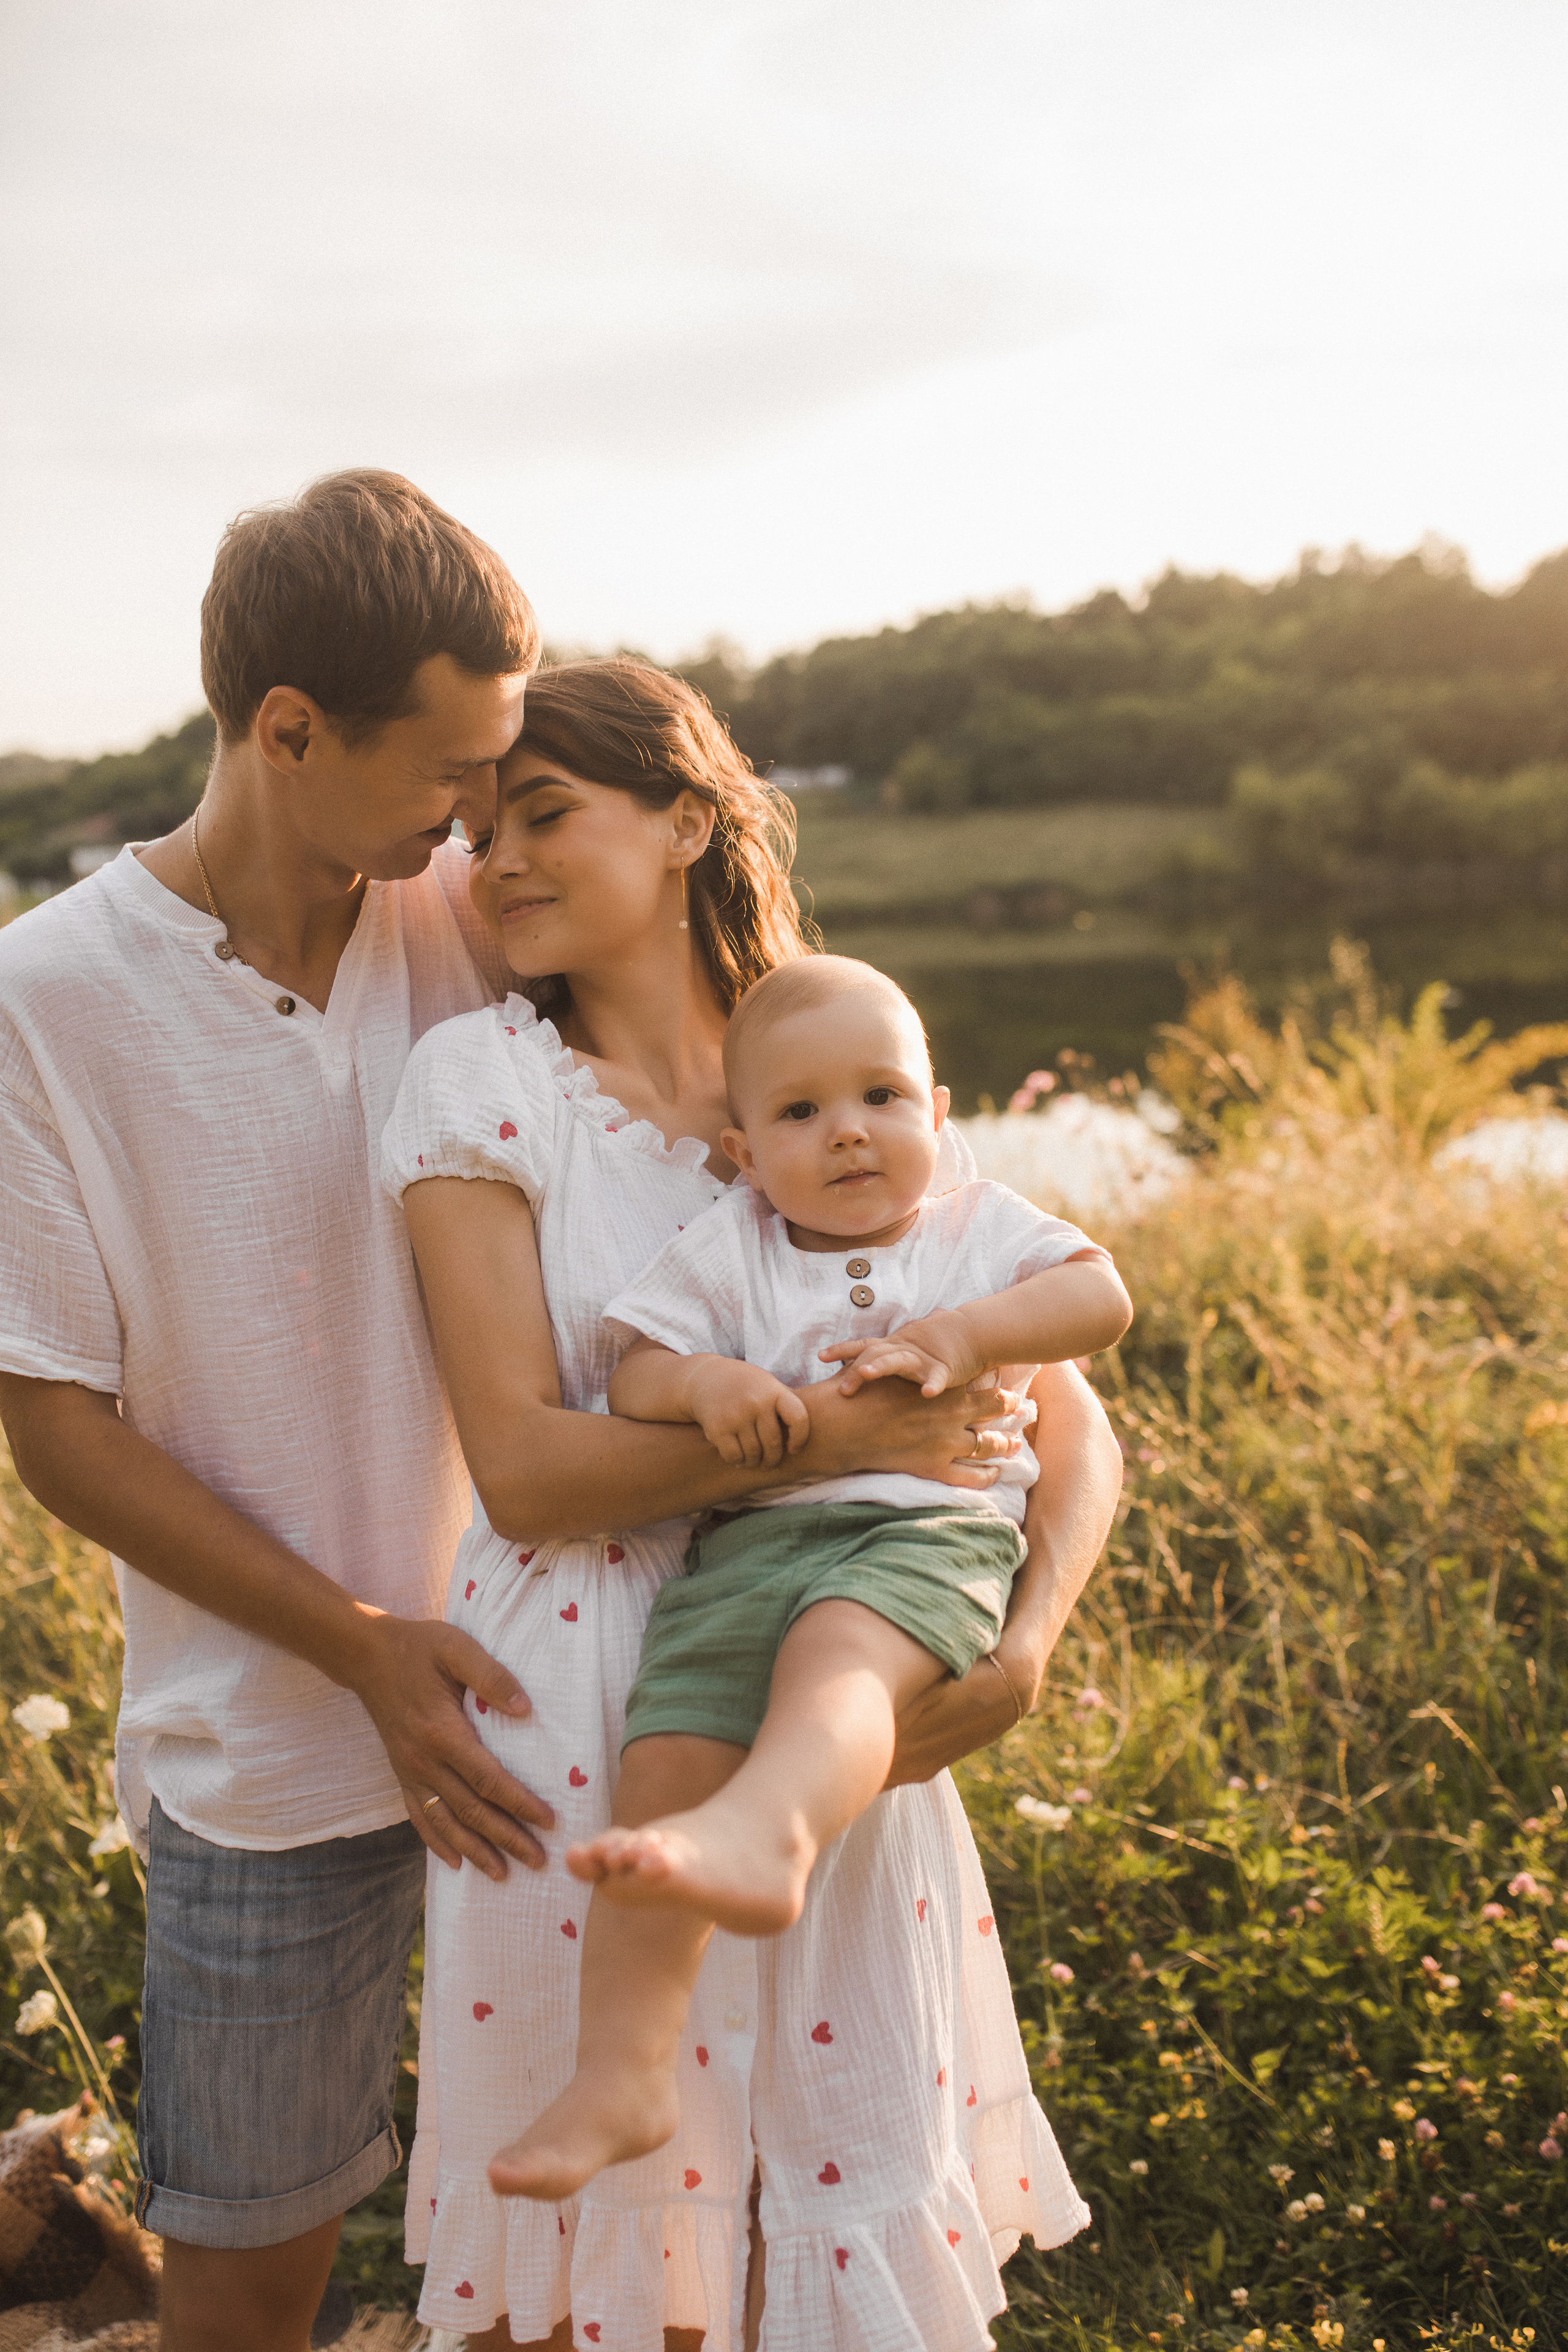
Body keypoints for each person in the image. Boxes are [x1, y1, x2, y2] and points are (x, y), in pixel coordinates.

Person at [382, 658, 1125, 2351]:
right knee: (600, 2275)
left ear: (690, 821)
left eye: (544, 816)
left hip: (841, 1695)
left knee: (819, 2209)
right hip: (586, 1704)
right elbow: (527, 1469)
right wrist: (848, 1454)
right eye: (475, 832)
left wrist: (1023, 1648)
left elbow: (1061, 1411)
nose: (493, 865)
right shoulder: (479, 1088)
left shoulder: (835, 1062)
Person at [0, 470, 551, 2352]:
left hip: (558, 1700)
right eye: (449, 769)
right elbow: (59, 1428)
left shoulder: (480, 915)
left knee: (573, 2235)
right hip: (268, 1750)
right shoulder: (46, 1001)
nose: (476, 811)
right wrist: (363, 1650)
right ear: (289, 729)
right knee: (246, 2286)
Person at [484, 956, 1132, 2202]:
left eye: (882, 1096)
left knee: (839, 1659)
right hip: (745, 1549)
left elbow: (1097, 1298)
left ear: (937, 1115)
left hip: (923, 1538)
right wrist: (712, 1386)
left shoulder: (977, 1227)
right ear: (741, 1147)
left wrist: (967, 1333)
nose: (848, 1131)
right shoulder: (733, 1246)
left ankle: (769, 1831)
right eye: (799, 1113)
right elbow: (638, 1372)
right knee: (659, 1758)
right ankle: (621, 2071)